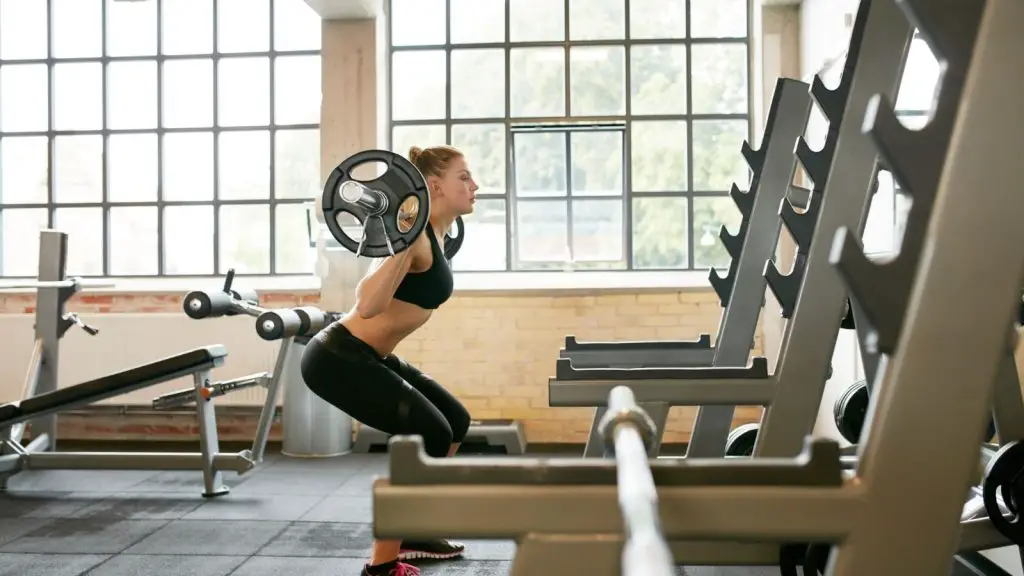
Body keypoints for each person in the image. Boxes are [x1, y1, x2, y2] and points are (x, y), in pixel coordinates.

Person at [301, 145, 478, 576]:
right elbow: (366, 305)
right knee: (429, 433)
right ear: (434, 185)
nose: (475, 187)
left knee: (455, 421)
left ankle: (413, 530)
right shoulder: (413, 237)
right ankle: (380, 567)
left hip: (371, 355)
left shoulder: (436, 234)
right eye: (464, 178)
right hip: (338, 357)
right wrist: (400, 239)